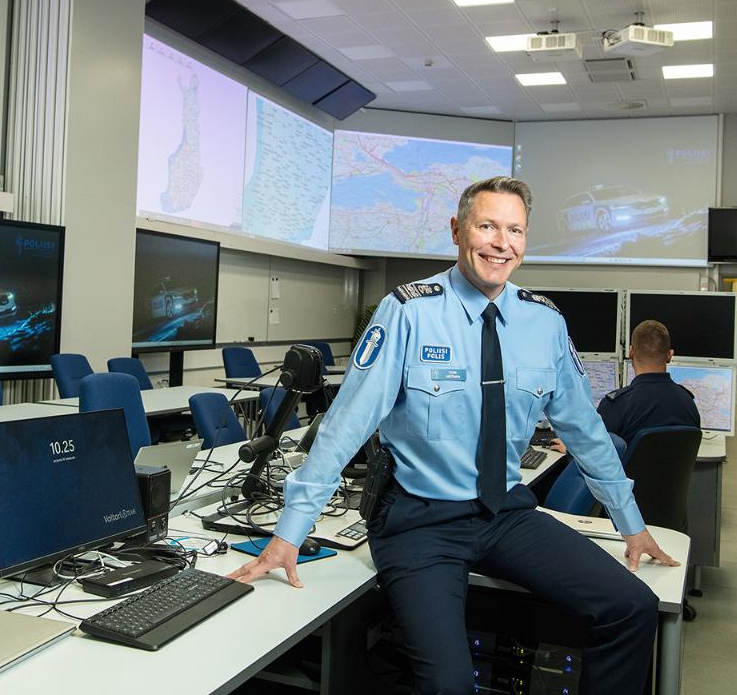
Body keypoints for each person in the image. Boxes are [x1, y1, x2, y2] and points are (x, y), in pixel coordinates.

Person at [228, 176, 677, 695]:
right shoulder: (409, 311)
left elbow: (586, 431)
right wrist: (289, 532)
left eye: (515, 230)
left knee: (631, 607)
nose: (501, 243)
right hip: (420, 521)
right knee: (450, 684)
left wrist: (630, 523)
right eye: (487, 226)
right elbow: (346, 425)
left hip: (505, 514)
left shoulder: (544, 322)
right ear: (457, 230)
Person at [549, 320, 701, 455]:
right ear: (670, 355)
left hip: (626, 480)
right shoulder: (688, 404)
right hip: (674, 480)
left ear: (631, 352)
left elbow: (595, 456)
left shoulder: (616, 404)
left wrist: (571, 450)